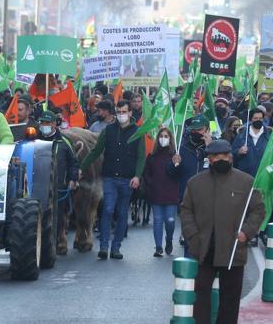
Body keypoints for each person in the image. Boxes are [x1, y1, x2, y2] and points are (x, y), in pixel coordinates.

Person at [180, 140, 265, 324]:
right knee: (200, 298)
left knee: (230, 300)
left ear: (231, 157)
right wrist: (193, 237)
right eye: (216, 157)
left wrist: (247, 232)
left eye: (225, 156)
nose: (221, 159)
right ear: (209, 159)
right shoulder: (195, 183)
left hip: (233, 250)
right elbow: (186, 210)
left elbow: (258, 210)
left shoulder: (245, 181)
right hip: (204, 250)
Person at [80, 100, 145, 260]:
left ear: (130, 113)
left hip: (127, 179)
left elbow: (141, 157)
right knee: (108, 210)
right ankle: (103, 246)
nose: (121, 115)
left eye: (124, 112)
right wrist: (81, 167)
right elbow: (96, 151)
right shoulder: (108, 130)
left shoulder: (138, 132)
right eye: (119, 112)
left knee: (122, 213)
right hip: (109, 177)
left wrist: (137, 176)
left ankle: (116, 247)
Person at [37, 111, 79, 255]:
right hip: (37, 187)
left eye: (48, 123)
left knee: (57, 217)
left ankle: (53, 245)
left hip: (58, 187)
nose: (44, 126)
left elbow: (73, 163)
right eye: (42, 123)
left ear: (55, 124)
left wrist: (73, 179)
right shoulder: (33, 141)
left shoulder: (65, 142)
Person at [143, 128, 180, 257]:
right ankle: (158, 247)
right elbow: (146, 172)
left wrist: (177, 164)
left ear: (170, 139)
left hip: (171, 193)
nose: (163, 138)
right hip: (156, 193)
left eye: (166, 136)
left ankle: (168, 240)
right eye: (161, 136)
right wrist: (151, 183)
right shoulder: (152, 156)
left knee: (170, 221)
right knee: (158, 221)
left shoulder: (175, 155)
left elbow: (179, 174)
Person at [232, 109, 273, 177]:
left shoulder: (270, 137)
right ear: (251, 119)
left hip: (264, 175)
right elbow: (232, 154)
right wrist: (239, 151)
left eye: (260, 118)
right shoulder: (241, 136)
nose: (258, 120)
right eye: (255, 118)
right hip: (245, 175)